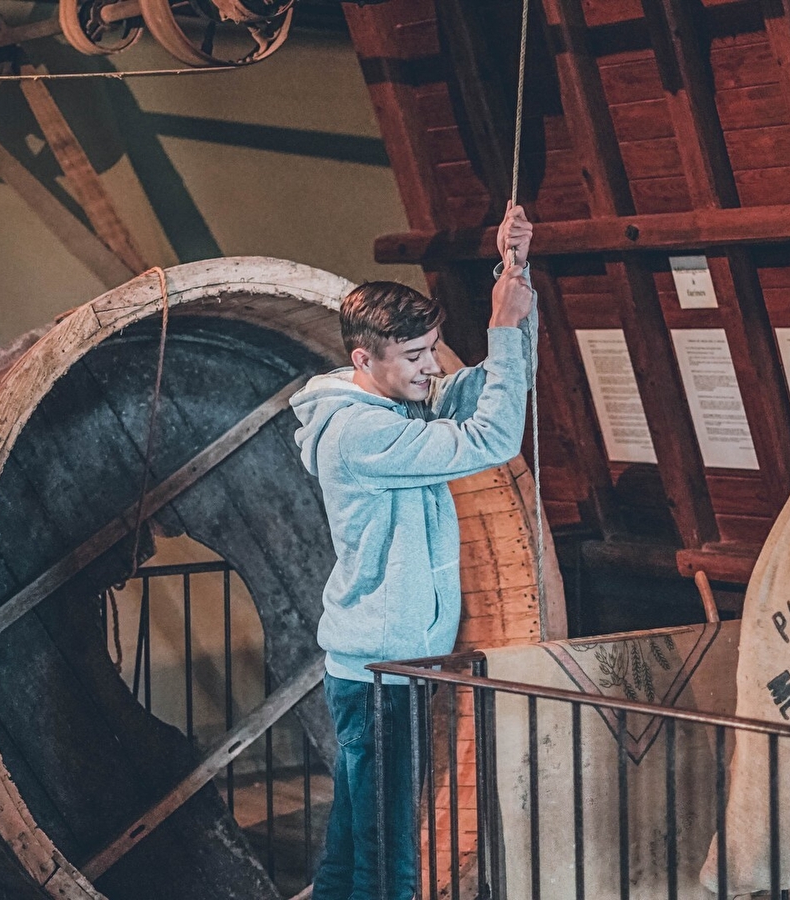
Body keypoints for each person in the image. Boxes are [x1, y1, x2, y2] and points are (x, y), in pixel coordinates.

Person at [291, 204, 536, 900]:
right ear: (363, 359)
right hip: (380, 673)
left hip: (382, 666)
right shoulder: (361, 434)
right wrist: (502, 327)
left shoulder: (400, 406)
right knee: (391, 856)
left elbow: (501, 380)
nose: (433, 367)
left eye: (433, 349)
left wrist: (515, 275)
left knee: (353, 845)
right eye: (415, 356)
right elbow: (494, 438)